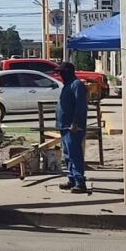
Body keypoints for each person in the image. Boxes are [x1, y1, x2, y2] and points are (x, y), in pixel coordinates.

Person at [55, 62, 89, 194]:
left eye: (62, 72)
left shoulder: (77, 85)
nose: (60, 75)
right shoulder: (67, 85)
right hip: (64, 126)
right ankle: (72, 179)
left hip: (73, 127)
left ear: (69, 72)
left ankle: (80, 182)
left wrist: (75, 122)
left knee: (75, 155)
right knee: (68, 155)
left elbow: (80, 106)